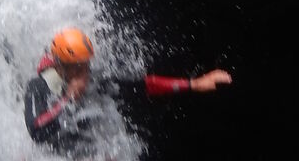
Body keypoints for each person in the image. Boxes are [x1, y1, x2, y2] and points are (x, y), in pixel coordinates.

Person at [24, 27, 232, 147]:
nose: (85, 74)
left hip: (84, 150)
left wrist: (193, 84)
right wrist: (69, 99)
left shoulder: (94, 80)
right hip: (55, 156)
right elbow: (36, 131)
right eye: (78, 68)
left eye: (86, 65)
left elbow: (143, 86)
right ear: (60, 65)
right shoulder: (38, 87)